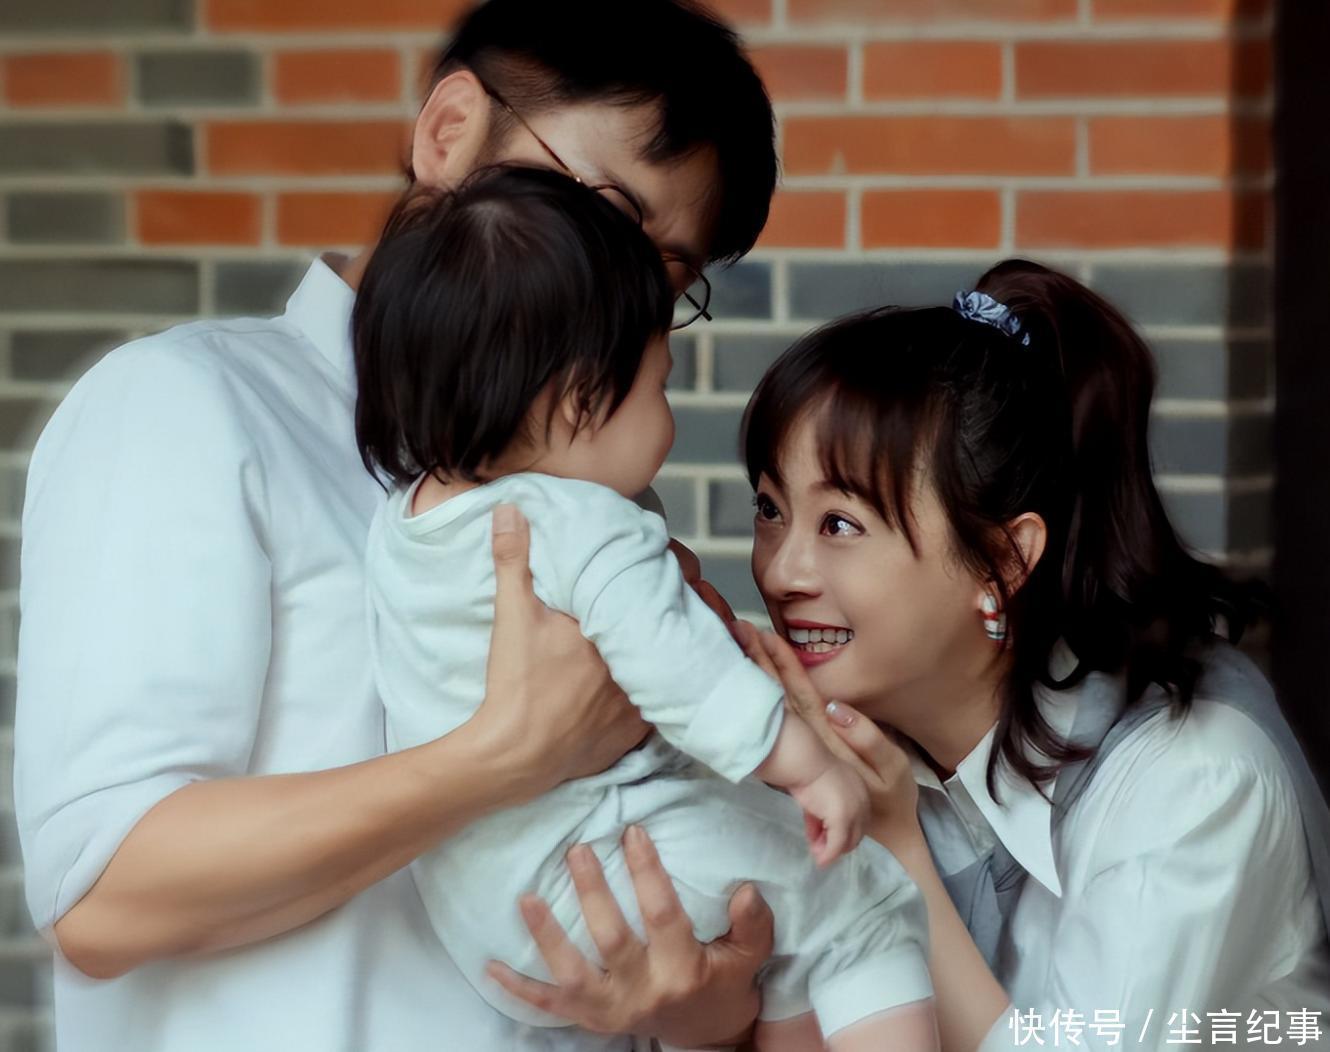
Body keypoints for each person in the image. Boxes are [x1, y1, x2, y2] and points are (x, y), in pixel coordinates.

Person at [12, 2, 786, 1049]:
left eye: (666, 272)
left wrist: (704, 1006)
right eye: (606, 213)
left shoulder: (599, 510)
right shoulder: (189, 407)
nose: (620, 289)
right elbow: (103, 894)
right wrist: (500, 754)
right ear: (449, 131)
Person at [354, 166, 939, 1051]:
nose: (665, 417)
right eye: (659, 386)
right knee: (863, 895)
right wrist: (805, 764)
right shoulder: (584, 523)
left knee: (791, 915)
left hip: (485, 906)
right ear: (579, 401)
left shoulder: (408, 521)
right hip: (594, 867)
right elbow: (677, 669)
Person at [726, 259, 1329, 1051]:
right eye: (770, 509)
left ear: (1003, 561)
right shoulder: (853, 748)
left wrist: (896, 849)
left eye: (840, 523)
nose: (780, 571)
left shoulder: (1194, 782)